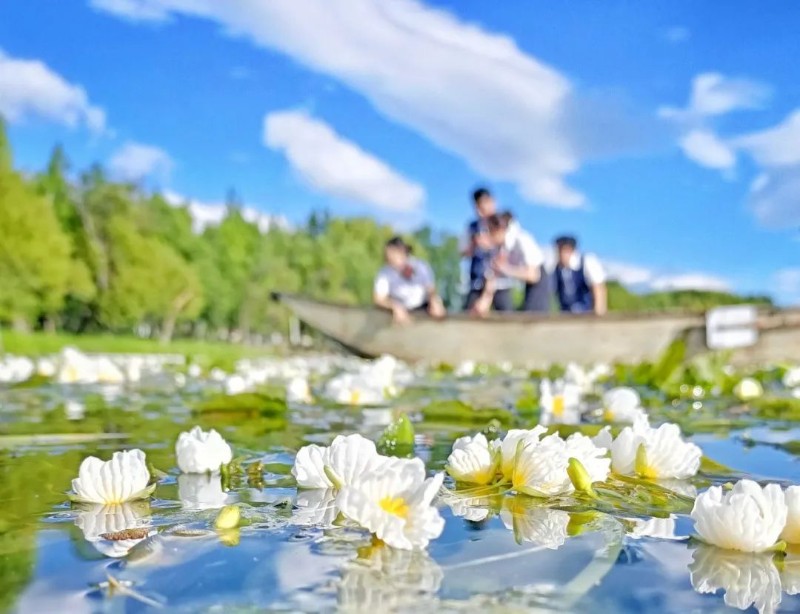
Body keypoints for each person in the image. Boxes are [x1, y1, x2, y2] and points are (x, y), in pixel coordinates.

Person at [472, 212, 549, 316]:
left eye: (490, 231)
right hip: (523, 277)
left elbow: (534, 276)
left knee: (533, 314)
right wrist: (484, 301)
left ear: (500, 229)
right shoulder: (499, 249)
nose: (488, 235)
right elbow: (492, 277)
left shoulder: (522, 239)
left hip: (538, 278)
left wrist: (506, 269)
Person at [373, 236, 446, 324]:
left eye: (396, 253)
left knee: (438, 307)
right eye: (389, 254)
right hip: (399, 307)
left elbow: (430, 288)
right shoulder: (385, 273)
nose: (392, 257)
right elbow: (379, 298)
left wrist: (434, 302)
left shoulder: (420, 266)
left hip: (423, 305)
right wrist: (394, 307)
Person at [461, 187, 512, 311]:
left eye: (486, 202)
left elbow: (508, 247)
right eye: (479, 204)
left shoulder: (503, 221)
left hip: (500, 282)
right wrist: (474, 244)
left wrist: (490, 242)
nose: (483, 207)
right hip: (477, 282)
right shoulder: (472, 227)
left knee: (507, 319)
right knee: (471, 316)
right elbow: (463, 253)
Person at [553, 235, 607, 315]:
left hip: (586, 315)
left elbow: (598, 288)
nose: (560, 254)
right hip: (566, 316)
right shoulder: (556, 268)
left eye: (564, 250)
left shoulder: (587, 262)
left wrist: (598, 316)